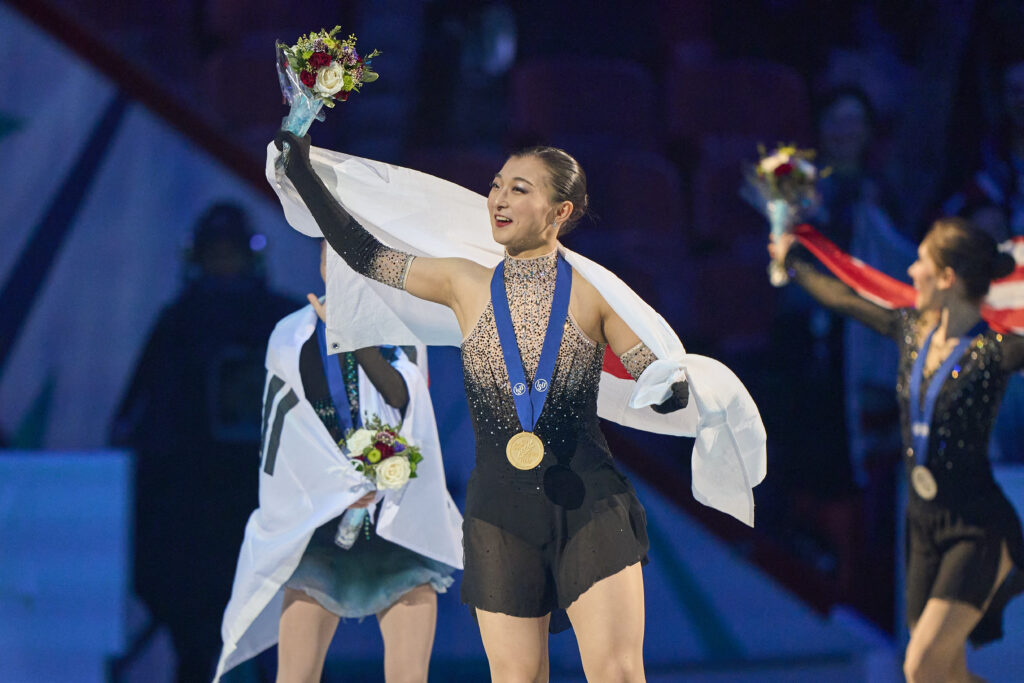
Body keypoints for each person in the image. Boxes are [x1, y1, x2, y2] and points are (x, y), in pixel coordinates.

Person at [274, 130, 698, 683]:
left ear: (559, 211)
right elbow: (367, 255)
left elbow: (653, 375)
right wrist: (304, 174)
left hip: (589, 503)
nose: (498, 199)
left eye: (519, 189)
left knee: (617, 673)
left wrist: (669, 388)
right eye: (496, 185)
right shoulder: (462, 282)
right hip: (500, 512)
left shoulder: (594, 293)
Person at [770, 217, 1024, 683]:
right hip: (923, 526)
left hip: (976, 527)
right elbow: (845, 298)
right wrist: (794, 261)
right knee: (940, 674)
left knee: (920, 666)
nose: (910, 270)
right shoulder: (911, 331)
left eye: (921, 261)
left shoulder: (996, 350)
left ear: (947, 278)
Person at [215, 240, 462, 682]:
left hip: (395, 522)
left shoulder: (400, 328)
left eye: (354, 257)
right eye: (333, 256)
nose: (344, 267)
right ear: (322, 264)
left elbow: (405, 401)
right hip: (321, 527)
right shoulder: (290, 334)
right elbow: (283, 442)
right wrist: (335, 487)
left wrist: (354, 336)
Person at [109, 202, 297, 682]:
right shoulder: (178, 325)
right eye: (215, 256)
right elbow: (134, 425)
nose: (223, 267)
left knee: (287, 649)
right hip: (192, 520)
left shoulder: (285, 321)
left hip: (268, 506)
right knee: (196, 646)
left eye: (229, 255)